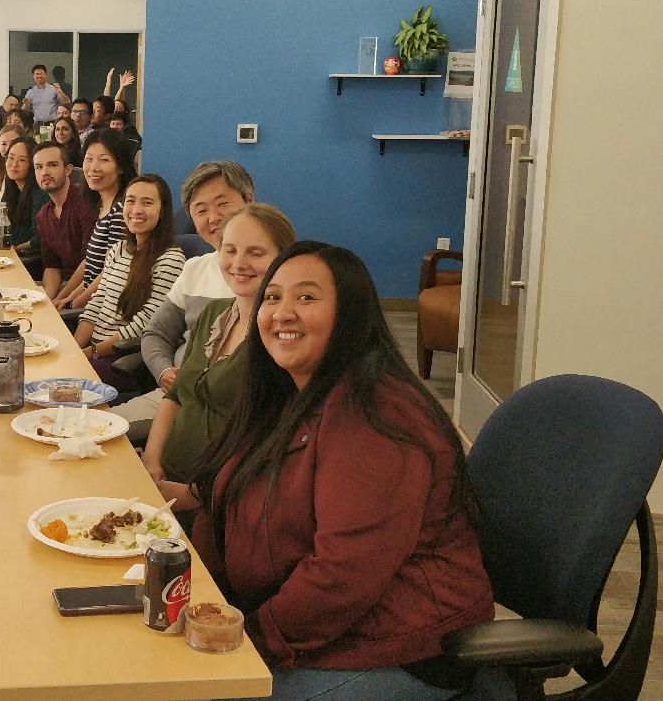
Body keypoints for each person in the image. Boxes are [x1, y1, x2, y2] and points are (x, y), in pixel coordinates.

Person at [193, 241, 494, 701]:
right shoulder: (289, 393)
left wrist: (250, 638)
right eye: (272, 297)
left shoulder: (377, 416)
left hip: (393, 650)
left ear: (350, 314)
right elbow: (226, 495)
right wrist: (203, 601)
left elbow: (342, 574)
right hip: (315, 633)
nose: (283, 313)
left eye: (307, 298)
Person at [141, 204, 296, 509]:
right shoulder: (214, 313)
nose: (239, 263)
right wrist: (151, 460)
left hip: (220, 502)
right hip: (166, 481)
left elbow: (269, 445)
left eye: (255, 252)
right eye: (230, 250)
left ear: (283, 258)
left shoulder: (283, 338)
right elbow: (175, 394)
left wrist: (193, 496)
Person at [114, 161, 255, 438]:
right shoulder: (195, 269)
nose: (213, 218)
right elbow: (156, 332)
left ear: (249, 201)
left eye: (222, 204)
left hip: (227, 409)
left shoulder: (271, 277)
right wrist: (163, 371)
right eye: (201, 210)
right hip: (175, 393)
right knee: (94, 431)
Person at [75, 175, 185, 392]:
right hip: (95, 351)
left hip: (122, 359)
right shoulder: (118, 249)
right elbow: (97, 303)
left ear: (162, 211)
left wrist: (91, 353)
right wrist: (75, 348)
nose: (136, 210)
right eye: (130, 201)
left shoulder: (170, 259)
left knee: (59, 384)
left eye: (147, 202)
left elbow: (146, 324)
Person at [55, 129, 137, 311]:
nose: (93, 168)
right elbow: (91, 265)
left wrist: (73, 304)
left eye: (104, 160)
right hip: (90, 303)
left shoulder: (122, 211)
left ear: (121, 166)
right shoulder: (102, 205)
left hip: (103, 309)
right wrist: (64, 298)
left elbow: (110, 272)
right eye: (89, 158)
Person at [33, 142, 98, 299]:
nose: (45, 172)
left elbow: (89, 261)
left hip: (87, 288)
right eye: (39, 167)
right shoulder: (43, 215)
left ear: (68, 169)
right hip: (62, 285)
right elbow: (51, 266)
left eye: (52, 165)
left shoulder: (85, 204)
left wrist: (60, 299)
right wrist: (49, 299)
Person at [0, 135, 45, 272]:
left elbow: (39, 238)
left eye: (22, 160)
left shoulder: (40, 194)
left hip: (29, 262)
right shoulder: (12, 188)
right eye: (11, 158)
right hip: (10, 257)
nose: (14, 164)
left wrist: (15, 249)